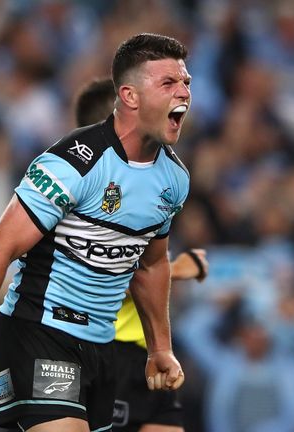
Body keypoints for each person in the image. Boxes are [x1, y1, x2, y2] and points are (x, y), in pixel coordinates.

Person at [0, 33, 193, 432]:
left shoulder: (174, 178)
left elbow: (150, 266)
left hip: (101, 347)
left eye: (186, 83)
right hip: (38, 331)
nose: (183, 92)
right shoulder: (72, 164)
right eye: (169, 83)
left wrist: (159, 348)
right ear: (129, 96)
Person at [74, 77, 209, 432]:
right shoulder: (85, 194)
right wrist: (177, 269)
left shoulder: (147, 186)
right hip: (101, 347)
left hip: (143, 351)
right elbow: (100, 273)